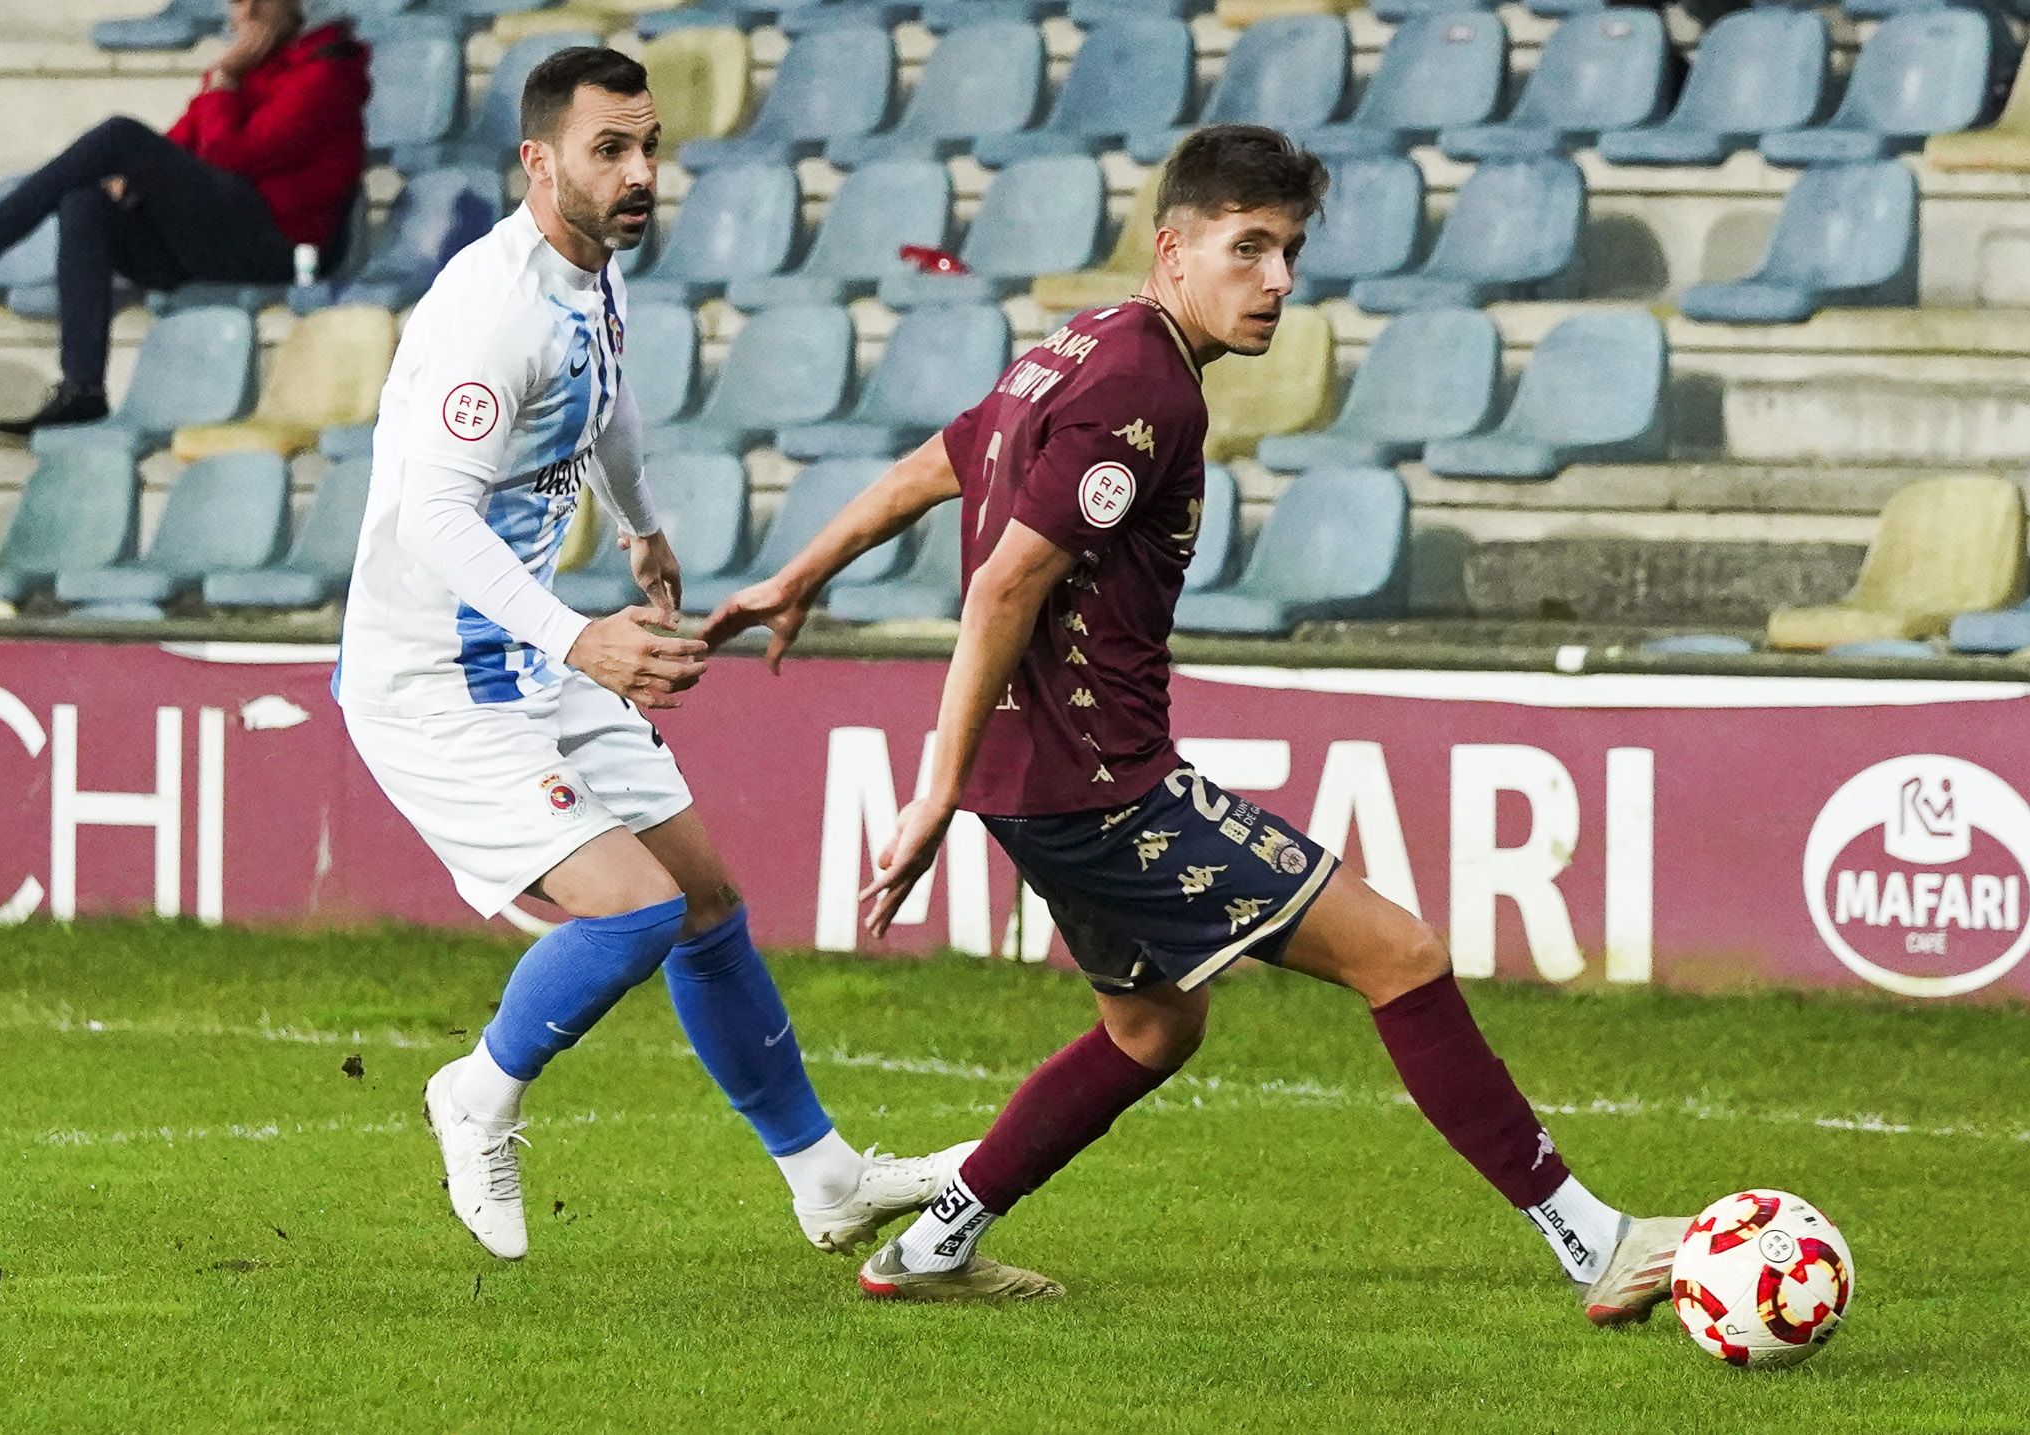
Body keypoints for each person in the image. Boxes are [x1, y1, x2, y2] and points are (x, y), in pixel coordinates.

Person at [703, 125, 1690, 1316]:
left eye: (1289, 251)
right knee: (1402, 955)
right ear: (1173, 249)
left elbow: (940, 460)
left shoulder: (1072, 346)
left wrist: (799, 573)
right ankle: (1596, 1242)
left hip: (1044, 790)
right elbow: (1003, 582)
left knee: (1153, 1028)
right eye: (1248, 248)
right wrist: (930, 790)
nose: (1276, 280)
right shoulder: (1144, 386)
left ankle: (929, 1248)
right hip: (1105, 789)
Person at [331, 47, 961, 1262]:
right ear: (538, 160)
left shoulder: (590, 275)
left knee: (706, 904)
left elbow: (603, 398)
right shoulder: (488, 311)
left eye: (648, 147)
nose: (637, 174)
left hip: (524, 655)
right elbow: (432, 515)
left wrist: (641, 525)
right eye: (607, 150)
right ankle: (474, 1097)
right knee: (632, 913)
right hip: (432, 681)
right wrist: (583, 638)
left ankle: (824, 1179)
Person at [0, 0, 369, 436]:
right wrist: (140, 171)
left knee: (119, 136)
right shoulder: (244, 73)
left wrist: (225, 81)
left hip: (278, 247)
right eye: (238, 0)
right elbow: (181, 148)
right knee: (85, 199)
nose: (248, 12)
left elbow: (231, 154)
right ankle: (83, 388)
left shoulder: (323, 72)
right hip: (213, 237)